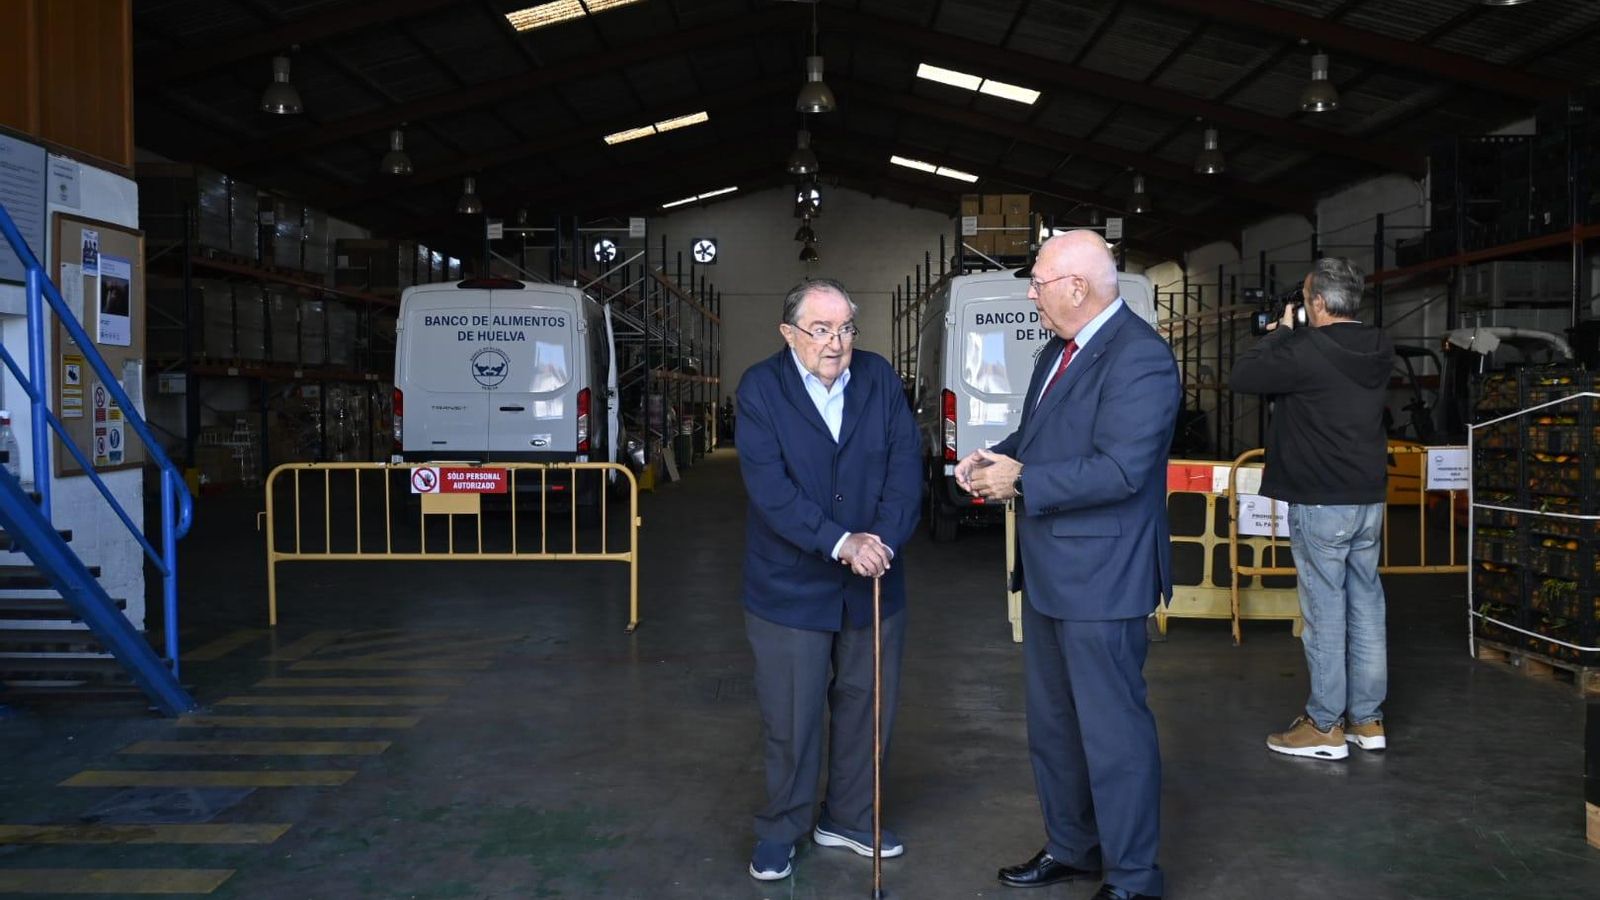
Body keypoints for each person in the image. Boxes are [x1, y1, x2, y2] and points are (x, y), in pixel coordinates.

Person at [957, 231, 1179, 900]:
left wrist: (1021, 483)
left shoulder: (1139, 358)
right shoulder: (1060, 350)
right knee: (1054, 728)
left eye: (1039, 281)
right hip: (1054, 572)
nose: (1031, 293)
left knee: (1113, 734)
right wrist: (991, 456)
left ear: (1077, 287)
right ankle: (1073, 847)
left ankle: (1135, 876)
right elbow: (1038, 438)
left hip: (1105, 580)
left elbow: (1121, 468)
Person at [735, 277, 922, 882]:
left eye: (845, 328)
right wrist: (841, 542)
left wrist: (882, 541)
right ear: (790, 334)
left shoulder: (879, 378)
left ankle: (847, 817)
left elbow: (904, 470)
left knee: (868, 707)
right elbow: (770, 491)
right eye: (820, 329)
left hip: (874, 580)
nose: (836, 342)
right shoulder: (761, 388)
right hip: (789, 587)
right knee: (791, 719)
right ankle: (781, 828)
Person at [1230, 257, 1395, 761]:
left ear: (1318, 303)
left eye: (1306, 299)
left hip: (1322, 499)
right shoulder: (1380, 345)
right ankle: (1367, 720)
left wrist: (1279, 332)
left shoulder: (1304, 350)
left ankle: (1324, 724)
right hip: (1367, 497)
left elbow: (1244, 375)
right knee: (1366, 605)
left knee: (1324, 611)